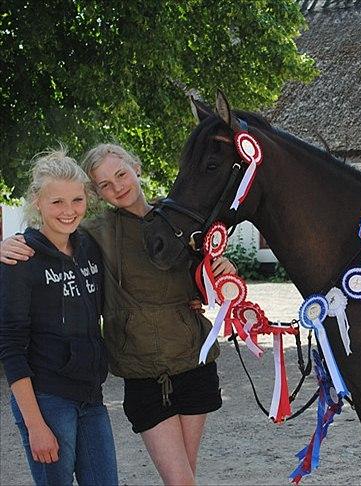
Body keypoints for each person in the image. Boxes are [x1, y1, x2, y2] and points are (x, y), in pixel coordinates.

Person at [1, 144, 235, 485]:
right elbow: (48, 237)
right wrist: (6, 245)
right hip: (113, 380)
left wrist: (220, 272)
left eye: (121, 175)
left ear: (136, 167)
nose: (117, 187)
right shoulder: (93, 233)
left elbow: (203, 274)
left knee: (184, 477)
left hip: (178, 365)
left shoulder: (178, 220)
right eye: (104, 185)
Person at [0, 149, 118, 485]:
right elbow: (10, 347)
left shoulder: (89, 248)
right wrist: (35, 425)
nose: (69, 211)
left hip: (91, 396)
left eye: (77, 200)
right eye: (57, 202)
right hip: (47, 400)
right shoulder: (21, 258)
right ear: (37, 202)